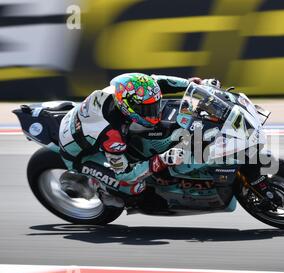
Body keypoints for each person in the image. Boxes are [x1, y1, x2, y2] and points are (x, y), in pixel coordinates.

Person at [58, 73, 214, 208]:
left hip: (83, 125)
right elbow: (125, 174)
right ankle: (99, 188)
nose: (153, 112)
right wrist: (161, 160)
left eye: (154, 105)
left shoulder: (129, 90)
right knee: (135, 188)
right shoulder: (112, 133)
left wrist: (191, 84)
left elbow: (157, 82)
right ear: (127, 106)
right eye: (146, 109)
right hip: (81, 156)